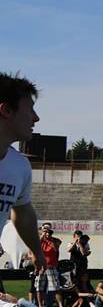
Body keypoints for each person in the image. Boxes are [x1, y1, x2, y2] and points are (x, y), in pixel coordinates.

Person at [0, 73, 44, 272]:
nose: (36, 118)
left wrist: (36, 250)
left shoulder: (19, 165)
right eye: (30, 109)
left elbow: (23, 211)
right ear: (6, 110)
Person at [37, 224, 65, 307]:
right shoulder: (39, 240)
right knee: (39, 287)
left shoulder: (55, 240)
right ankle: (41, 306)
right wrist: (42, 236)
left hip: (51, 266)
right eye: (45, 230)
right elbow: (36, 246)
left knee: (55, 287)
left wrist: (49, 238)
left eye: (48, 230)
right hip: (41, 267)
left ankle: (60, 306)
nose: (47, 232)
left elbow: (55, 248)